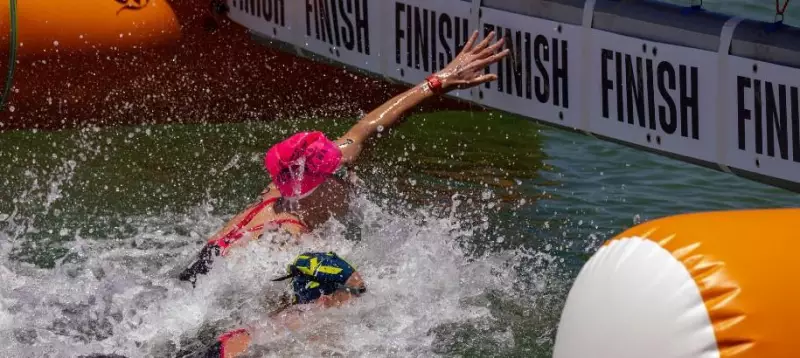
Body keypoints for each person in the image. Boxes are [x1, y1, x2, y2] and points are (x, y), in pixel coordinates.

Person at [178, 30, 509, 285]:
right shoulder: (288, 240)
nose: (352, 177)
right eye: (342, 174)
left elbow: (366, 127)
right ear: (317, 186)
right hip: (205, 290)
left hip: (212, 259)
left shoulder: (284, 188)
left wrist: (437, 82)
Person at [201, 251, 365, 358]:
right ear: (325, 296)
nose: (359, 299)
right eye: (357, 292)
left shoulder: (310, 321)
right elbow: (227, 346)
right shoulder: (288, 323)